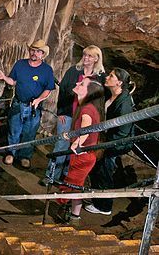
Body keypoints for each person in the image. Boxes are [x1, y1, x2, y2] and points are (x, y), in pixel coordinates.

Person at [43, 45, 105, 184]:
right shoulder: (73, 71)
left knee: (76, 147)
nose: (86, 58)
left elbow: (100, 99)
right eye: (84, 55)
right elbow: (63, 91)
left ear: (96, 59)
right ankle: (51, 175)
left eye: (89, 56)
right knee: (61, 145)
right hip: (68, 114)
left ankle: (68, 177)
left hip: (85, 118)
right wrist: (61, 113)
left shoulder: (99, 77)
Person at [0, 39, 55, 168]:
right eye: (32, 50)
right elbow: (13, 81)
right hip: (18, 103)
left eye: (38, 51)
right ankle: (11, 153)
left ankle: (25, 156)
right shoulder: (20, 64)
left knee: (29, 132)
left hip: (34, 107)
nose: (34, 53)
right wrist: (4, 78)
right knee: (14, 130)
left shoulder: (47, 70)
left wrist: (38, 100)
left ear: (43, 54)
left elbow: (48, 89)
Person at [84, 68, 135, 216]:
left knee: (104, 171)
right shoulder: (111, 95)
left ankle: (104, 206)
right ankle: (97, 199)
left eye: (111, 76)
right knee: (98, 168)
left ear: (119, 82)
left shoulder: (124, 104)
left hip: (116, 142)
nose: (107, 77)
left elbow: (123, 132)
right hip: (108, 137)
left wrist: (104, 147)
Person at [57, 76, 105, 225]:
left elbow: (86, 128)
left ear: (89, 92)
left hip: (82, 155)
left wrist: (77, 142)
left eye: (82, 83)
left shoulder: (87, 109)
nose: (77, 83)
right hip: (86, 155)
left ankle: (61, 203)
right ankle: (74, 216)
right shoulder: (88, 106)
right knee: (77, 185)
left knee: (71, 185)